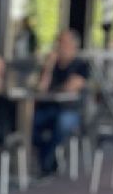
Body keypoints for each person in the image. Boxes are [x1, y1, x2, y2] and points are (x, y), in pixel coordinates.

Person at [33, 29, 90, 175]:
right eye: (58, 43)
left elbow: (70, 88)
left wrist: (56, 89)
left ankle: (47, 161)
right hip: (50, 108)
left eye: (63, 43)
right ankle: (48, 157)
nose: (59, 46)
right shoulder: (52, 65)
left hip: (71, 111)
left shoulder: (81, 65)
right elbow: (41, 88)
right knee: (29, 123)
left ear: (73, 46)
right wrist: (49, 66)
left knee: (62, 123)